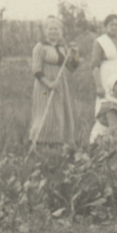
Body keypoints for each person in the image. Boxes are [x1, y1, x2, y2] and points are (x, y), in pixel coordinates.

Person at [28, 16, 79, 148]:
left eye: (56, 29)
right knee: (44, 113)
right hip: (44, 86)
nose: (53, 32)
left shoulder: (63, 48)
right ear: (45, 31)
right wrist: (49, 84)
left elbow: (72, 68)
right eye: (50, 29)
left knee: (59, 113)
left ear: (61, 32)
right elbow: (36, 70)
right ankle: (39, 142)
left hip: (60, 84)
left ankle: (57, 143)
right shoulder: (40, 47)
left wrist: (75, 54)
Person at [89, 14, 117, 111]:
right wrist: (99, 85)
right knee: (108, 103)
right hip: (107, 76)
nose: (114, 27)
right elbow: (95, 65)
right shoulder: (100, 41)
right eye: (111, 25)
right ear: (105, 26)